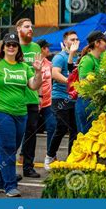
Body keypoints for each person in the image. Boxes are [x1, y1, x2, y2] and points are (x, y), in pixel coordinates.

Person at [0, 33, 42, 197]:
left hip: (21, 113)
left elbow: (33, 85)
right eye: (8, 44)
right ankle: (10, 185)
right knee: (8, 149)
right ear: (3, 47)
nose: (11, 47)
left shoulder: (24, 67)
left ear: (18, 48)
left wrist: (38, 72)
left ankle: (0, 182)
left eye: (14, 44)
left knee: (10, 148)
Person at [44, 31, 79, 171]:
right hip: (60, 98)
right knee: (61, 128)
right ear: (65, 42)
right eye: (72, 39)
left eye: (77, 39)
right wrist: (70, 83)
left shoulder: (77, 57)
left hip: (74, 99)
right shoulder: (60, 57)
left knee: (74, 130)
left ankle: (71, 158)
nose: (75, 41)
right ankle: (50, 156)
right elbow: (55, 74)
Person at [16, 18, 42, 178]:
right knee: (15, 134)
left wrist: (39, 96)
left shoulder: (36, 47)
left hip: (32, 98)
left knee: (31, 134)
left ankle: (28, 167)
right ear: (18, 29)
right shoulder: (11, 47)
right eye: (26, 27)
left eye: (31, 26)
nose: (30, 29)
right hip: (16, 99)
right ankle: (10, 169)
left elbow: (39, 74)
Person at [76, 31, 106, 134]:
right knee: (88, 137)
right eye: (105, 41)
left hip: (99, 101)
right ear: (97, 43)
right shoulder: (87, 60)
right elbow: (84, 85)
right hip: (86, 102)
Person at [36, 39, 56, 155]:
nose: (49, 49)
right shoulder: (33, 63)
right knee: (30, 130)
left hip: (48, 101)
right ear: (42, 49)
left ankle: (51, 154)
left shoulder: (49, 63)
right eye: (47, 47)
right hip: (36, 100)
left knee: (52, 127)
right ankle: (23, 154)